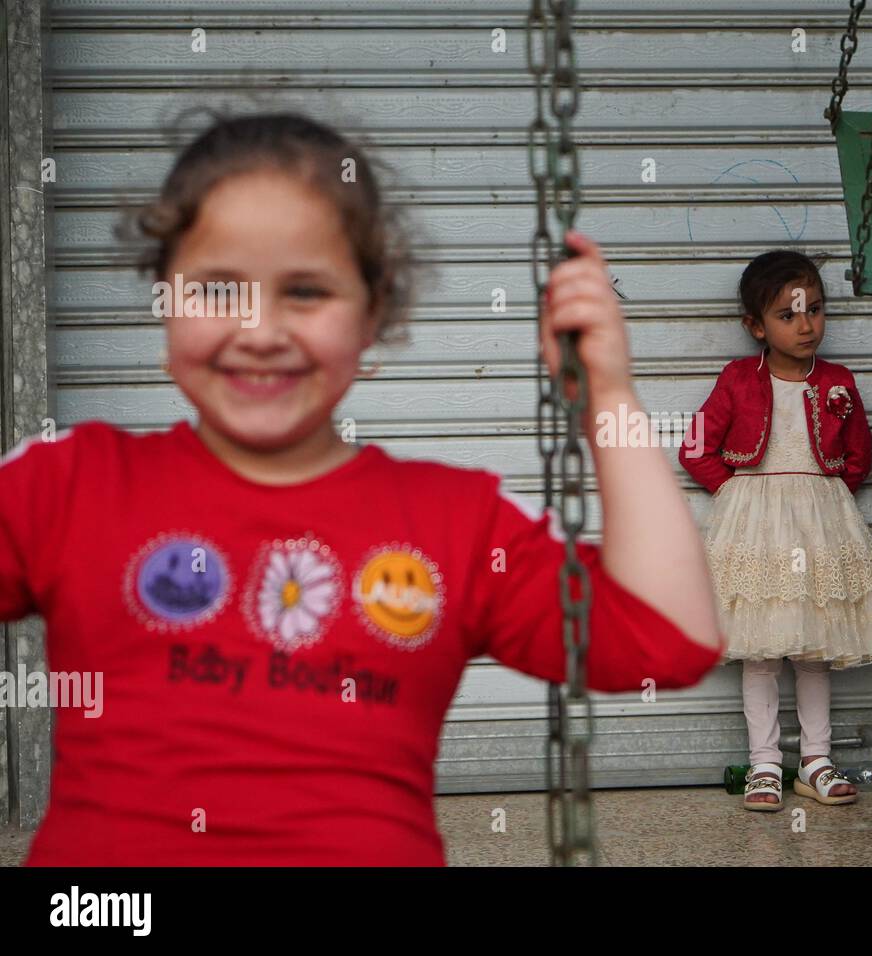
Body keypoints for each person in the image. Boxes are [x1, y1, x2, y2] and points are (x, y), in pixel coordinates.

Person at [5, 112, 722, 865]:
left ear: (373, 315)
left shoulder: (456, 522)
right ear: (165, 300)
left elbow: (667, 641)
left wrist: (608, 397)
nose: (260, 330)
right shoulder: (69, 483)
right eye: (218, 290)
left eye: (307, 291)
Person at [680, 250, 872, 811]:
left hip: (819, 525)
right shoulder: (738, 378)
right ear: (754, 326)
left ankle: (815, 760)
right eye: (787, 315)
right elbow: (695, 447)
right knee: (760, 652)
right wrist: (736, 491)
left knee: (816, 650)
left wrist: (826, 497)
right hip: (755, 527)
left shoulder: (838, 381)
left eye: (814, 309)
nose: (806, 325)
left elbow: (859, 454)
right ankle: (764, 763)